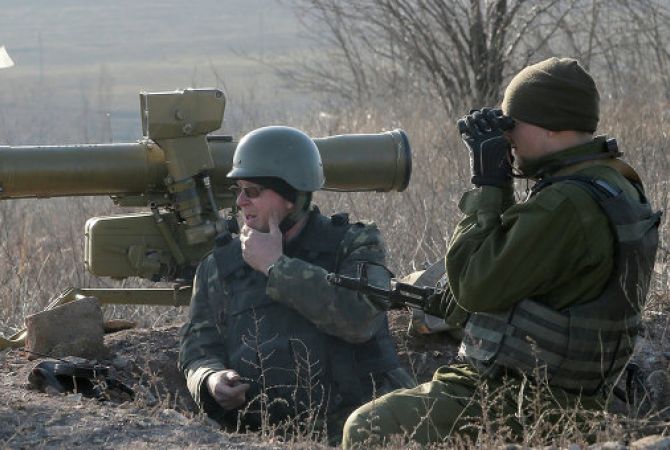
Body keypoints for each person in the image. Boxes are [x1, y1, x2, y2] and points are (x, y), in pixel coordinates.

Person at [342, 57, 661, 447]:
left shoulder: (564, 203)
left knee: (367, 426)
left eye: (512, 124)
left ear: (550, 126)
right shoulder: (611, 182)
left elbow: (473, 286)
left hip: (527, 398)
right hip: (578, 391)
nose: (507, 136)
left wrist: (489, 187)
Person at [178, 126, 414, 443]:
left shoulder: (353, 243)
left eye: (253, 191)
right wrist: (211, 379)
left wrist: (276, 267)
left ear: (290, 195)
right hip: (259, 437)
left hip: (356, 432)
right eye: (238, 190)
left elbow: (360, 319)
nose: (240, 201)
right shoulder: (220, 265)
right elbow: (197, 349)